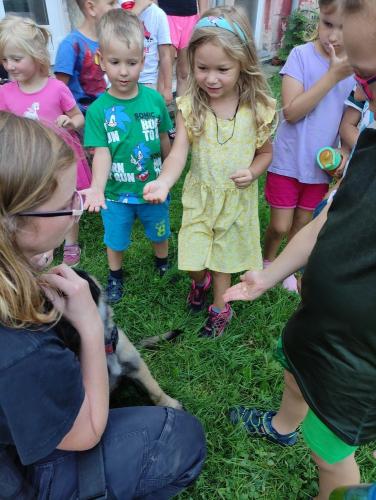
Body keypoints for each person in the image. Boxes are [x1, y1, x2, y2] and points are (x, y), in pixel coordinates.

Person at [0, 111, 206, 498]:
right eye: (67, 202)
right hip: (23, 466)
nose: (78, 207)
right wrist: (91, 328)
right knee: (179, 436)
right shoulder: (21, 350)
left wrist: (30, 257)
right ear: (16, 224)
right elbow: (85, 433)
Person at [224, 1, 376, 496]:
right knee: (295, 372)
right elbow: (334, 214)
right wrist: (269, 275)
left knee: (330, 452)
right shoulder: (370, 135)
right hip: (320, 324)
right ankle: (282, 426)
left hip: (359, 356)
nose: (339, 35)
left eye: (346, 18)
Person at [143, 6, 276, 338]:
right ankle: (197, 281)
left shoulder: (256, 108)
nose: (211, 78)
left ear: (243, 64)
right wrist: (163, 180)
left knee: (222, 263)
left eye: (222, 69)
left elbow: (266, 153)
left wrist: (253, 171)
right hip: (201, 196)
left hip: (235, 200)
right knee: (192, 260)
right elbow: (179, 154)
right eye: (202, 68)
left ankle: (220, 308)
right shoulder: (191, 107)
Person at [263, 0, 354, 293]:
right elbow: (291, 111)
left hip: (320, 166)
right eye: (328, 24)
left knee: (302, 222)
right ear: (318, 21)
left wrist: (342, 152)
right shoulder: (301, 56)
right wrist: (331, 77)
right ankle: (268, 259)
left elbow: (348, 120)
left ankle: (287, 266)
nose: (334, 35)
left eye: (343, 28)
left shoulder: (354, 71)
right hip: (288, 159)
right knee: (279, 224)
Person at [83, 10, 173, 303]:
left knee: (159, 231)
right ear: (101, 60)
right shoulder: (98, 110)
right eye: (115, 62)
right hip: (115, 194)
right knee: (115, 238)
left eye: (132, 63)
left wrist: (169, 177)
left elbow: (163, 139)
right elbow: (102, 153)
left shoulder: (155, 100)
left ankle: (162, 263)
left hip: (153, 190)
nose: (124, 71)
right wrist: (97, 187)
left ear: (143, 62)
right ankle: (115, 275)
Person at [0, 15, 91, 267]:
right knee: (36, 202)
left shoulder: (56, 88)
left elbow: (79, 117)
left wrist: (70, 122)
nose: (9, 66)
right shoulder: (4, 93)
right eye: (4, 59)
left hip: (60, 157)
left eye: (16, 59)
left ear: (37, 56)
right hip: (28, 161)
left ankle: (71, 242)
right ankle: (42, 244)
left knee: (65, 200)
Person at [54, 0, 119, 114]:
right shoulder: (70, 44)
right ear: (91, 8)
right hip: (84, 120)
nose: (117, 7)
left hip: (111, 113)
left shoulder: (111, 40)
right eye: (111, 3)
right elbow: (58, 90)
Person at [122, 0, 173, 105]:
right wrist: (135, 12)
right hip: (120, 79)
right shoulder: (119, 7)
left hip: (147, 81)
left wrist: (167, 88)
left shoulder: (159, 15)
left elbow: (165, 55)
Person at [157, 0, 209, 96]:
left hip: (191, 18)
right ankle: (160, 109)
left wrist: (204, 15)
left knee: (185, 72)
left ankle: (181, 110)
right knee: (165, 71)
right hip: (167, 16)